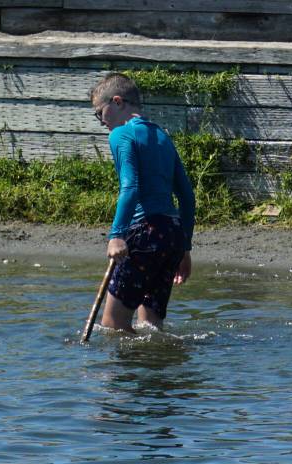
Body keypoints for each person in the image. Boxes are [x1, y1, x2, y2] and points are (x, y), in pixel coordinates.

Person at [90, 72, 196, 332]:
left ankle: (126, 373)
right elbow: (186, 197)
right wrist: (184, 247)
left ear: (117, 102)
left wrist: (116, 235)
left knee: (113, 326)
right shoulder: (162, 136)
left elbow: (130, 187)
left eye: (99, 113)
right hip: (171, 235)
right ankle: (153, 370)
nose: (101, 121)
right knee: (150, 326)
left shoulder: (121, 135)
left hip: (144, 233)